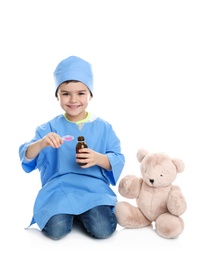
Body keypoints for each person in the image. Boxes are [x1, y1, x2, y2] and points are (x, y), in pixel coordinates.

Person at [19, 55, 125, 240]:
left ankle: (82, 213)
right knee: (55, 230)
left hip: (94, 190)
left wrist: (98, 159)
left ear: (90, 94)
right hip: (59, 190)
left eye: (81, 93)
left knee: (102, 229)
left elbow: (117, 158)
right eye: (66, 93)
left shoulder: (104, 128)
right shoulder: (48, 128)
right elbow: (26, 156)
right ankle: (70, 213)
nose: (73, 100)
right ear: (57, 95)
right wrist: (42, 143)